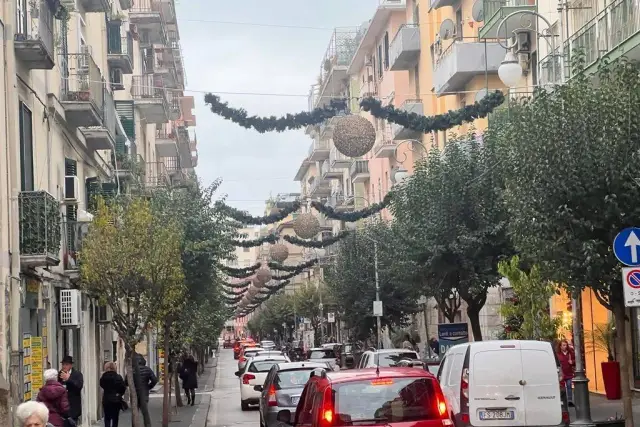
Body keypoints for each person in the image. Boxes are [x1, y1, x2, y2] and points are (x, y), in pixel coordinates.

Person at [100, 361, 126, 427]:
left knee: (107, 417)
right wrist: (119, 393)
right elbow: (123, 387)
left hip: (106, 399)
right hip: (116, 399)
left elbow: (101, 385)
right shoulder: (118, 377)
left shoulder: (103, 377)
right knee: (115, 418)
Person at [58, 356, 83, 425]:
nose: (64, 366)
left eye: (66, 364)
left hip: (73, 408)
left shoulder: (77, 374)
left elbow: (79, 386)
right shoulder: (59, 374)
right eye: (63, 364)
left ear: (71, 365)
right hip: (62, 408)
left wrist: (69, 379)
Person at [557, 339, 575, 407]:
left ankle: (570, 401)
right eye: (563, 345)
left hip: (569, 373)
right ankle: (563, 401)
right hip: (561, 374)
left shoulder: (570, 353)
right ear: (560, 346)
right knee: (562, 388)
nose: (565, 346)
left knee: (569, 386)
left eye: (566, 345)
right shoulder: (558, 354)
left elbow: (575, 360)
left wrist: (572, 362)